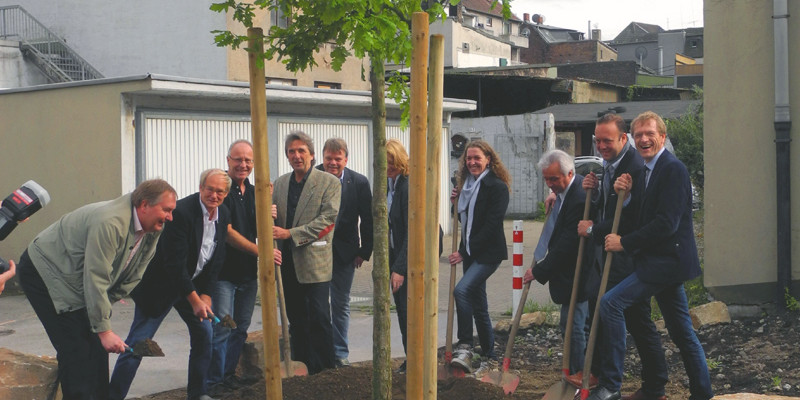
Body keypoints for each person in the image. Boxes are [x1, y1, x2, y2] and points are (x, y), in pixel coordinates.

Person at [588, 111, 712, 400]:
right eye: (639, 134)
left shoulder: (672, 169)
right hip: (659, 262)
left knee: (611, 303)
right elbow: (643, 214)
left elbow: (666, 223)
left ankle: (610, 386)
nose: (644, 139)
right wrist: (628, 196)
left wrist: (625, 243)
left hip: (666, 262)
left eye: (650, 133)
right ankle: (698, 394)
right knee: (681, 332)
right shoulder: (646, 170)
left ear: (662, 137)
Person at [16, 179, 177, 400]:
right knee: (76, 349)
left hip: (78, 278)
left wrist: (103, 310)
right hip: (45, 270)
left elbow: (136, 272)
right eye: (166, 210)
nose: (170, 216)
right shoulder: (110, 222)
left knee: (98, 350)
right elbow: (96, 277)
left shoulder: (153, 227)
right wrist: (104, 330)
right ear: (144, 205)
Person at [109, 169, 231, 400]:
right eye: (210, 189)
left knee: (205, 334)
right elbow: (174, 264)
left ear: (226, 194)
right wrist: (195, 300)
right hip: (161, 287)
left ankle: (198, 394)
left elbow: (217, 257)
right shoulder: (183, 212)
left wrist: (205, 294)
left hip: (191, 285)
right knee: (139, 343)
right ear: (201, 187)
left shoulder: (223, 213)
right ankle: (113, 396)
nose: (214, 195)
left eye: (220, 191)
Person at [573, 113, 668, 399]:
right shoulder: (609, 163)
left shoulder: (634, 166)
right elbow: (610, 205)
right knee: (601, 308)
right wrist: (594, 190)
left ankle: (631, 383)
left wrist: (592, 230)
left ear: (623, 138)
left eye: (607, 140)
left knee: (629, 317)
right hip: (609, 251)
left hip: (625, 253)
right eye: (597, 140)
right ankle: (603, 373)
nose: (601, 145)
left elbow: (628, 219)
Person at [208, 140, 282, 392]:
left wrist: (269, 209)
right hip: (224, 273)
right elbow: (227, 232)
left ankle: (228, 375)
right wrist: (262, 252)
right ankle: (213, 381)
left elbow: (259, 227)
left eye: (248, 160)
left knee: (240, 328)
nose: (243, 165)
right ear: (228, 160)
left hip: (249, 273)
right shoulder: (221, 190)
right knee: (222, 328)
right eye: (238, 159)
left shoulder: (255, 192)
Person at [273, 131, 341, 374]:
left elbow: (328, 220)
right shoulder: (280, 183)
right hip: (287, 262)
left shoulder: (329, 182)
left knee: (320, 317)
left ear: (312, 155)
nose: (296, 155)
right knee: (296, 318)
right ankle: (302, 367)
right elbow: (274, 217)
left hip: (314, 262)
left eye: (301, 150)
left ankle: (326, 370)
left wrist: (290, 234)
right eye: (291, 151)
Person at [523, 149, 588, 375]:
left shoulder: (580, 197)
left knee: (573, 326)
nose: (549, 184)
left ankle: (579, 373)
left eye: (554, 179)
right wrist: (557, 195)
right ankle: (577, 370)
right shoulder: (568, 190)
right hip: (571, 274)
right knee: (572, 325)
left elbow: (567, 244)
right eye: (546, 179)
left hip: (581, 272)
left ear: (569, 174)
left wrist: (540, 270)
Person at [447, 139, 511, 372]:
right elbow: (465, 221)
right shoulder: (465, 187)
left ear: (488, 160)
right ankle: (489, 351)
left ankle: (465, 344)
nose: (472, 162)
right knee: (478, 303)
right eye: (469, 158)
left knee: (461, 291)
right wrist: (454, 202)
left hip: (488, 254)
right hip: (473, 252)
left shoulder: (497, 187)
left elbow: (491, 225)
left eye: (477, 158)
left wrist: (463, 252)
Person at [316, 138, 373, 367]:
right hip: (316, 252)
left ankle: (340, 353)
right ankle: (320, 353)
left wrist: (364, 251)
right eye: (328, 158)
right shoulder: (313, 177)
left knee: (340, 304)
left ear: (345, 160)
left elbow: (367, 220)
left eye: (337, 159)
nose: (332, 163)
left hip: (345, 253)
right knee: (318, 305)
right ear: (322, 158)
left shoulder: (358, 182)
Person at [386, 139, 410, 373]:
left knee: (408, 312)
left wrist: (400, 268)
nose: (389, 166)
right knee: (402, 312)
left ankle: (415, 360)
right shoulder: (388, 184)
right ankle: (410, 358)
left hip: (409, 262)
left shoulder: (407, 185)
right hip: (395, 257)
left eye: (392, 161)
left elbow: (411, 232)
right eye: (384, 163)